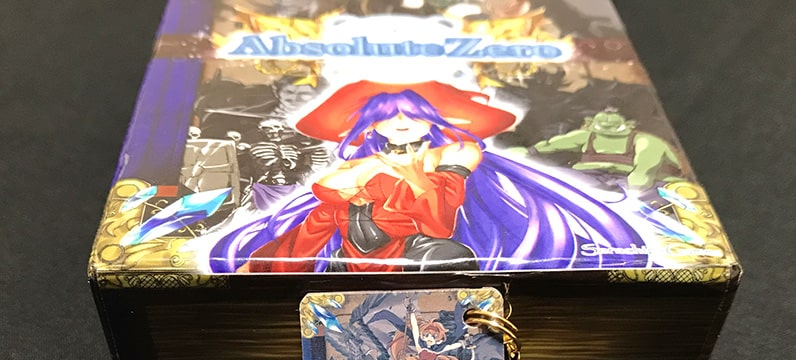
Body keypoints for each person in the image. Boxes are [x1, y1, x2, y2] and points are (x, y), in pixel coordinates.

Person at [203, 80, 655, 273]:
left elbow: (441, 217)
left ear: (430, 120)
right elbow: (328, 195)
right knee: (318, 223)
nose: (401, 124)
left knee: (449, 256)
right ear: (372, 125)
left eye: (411, 115)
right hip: (363, 245)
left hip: (436, 236)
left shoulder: (456, 151)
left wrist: (410, 177)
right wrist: (376, 172)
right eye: (389, 117)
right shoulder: (364, 162)